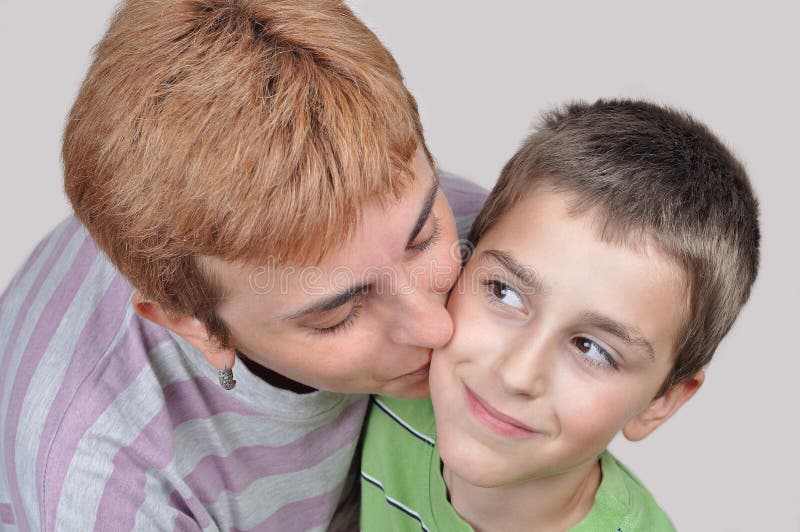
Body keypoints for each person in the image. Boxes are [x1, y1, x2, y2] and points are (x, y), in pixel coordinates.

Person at [0, 1, 486, 530]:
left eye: (422, 238)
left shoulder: (443, 220)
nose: (438, 328)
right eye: (338, 314)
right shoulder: (105, 488)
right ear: (198, 327)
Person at [360, 99, 760, 531]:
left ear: (660, 403)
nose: (516, 374)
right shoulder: (390, 384)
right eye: (504, 292)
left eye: (593, 349)